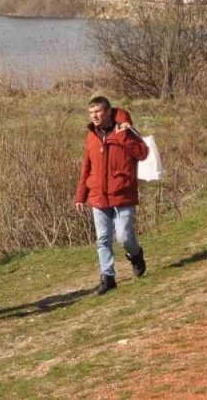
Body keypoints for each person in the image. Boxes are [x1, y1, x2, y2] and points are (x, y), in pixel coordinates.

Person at [74, 96, 149, 295]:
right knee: (103, 239)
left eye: (98, 112)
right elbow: (86, 166)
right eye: (91, 113)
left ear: (108, 112)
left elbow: (143, 153)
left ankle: (135, 255)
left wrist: (124, 137)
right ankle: (108, 277)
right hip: (98, 196)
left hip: (123, 192)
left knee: (124, 236)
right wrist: (81, 195)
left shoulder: (125, 130)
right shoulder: (91, 136)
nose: (94, 116)